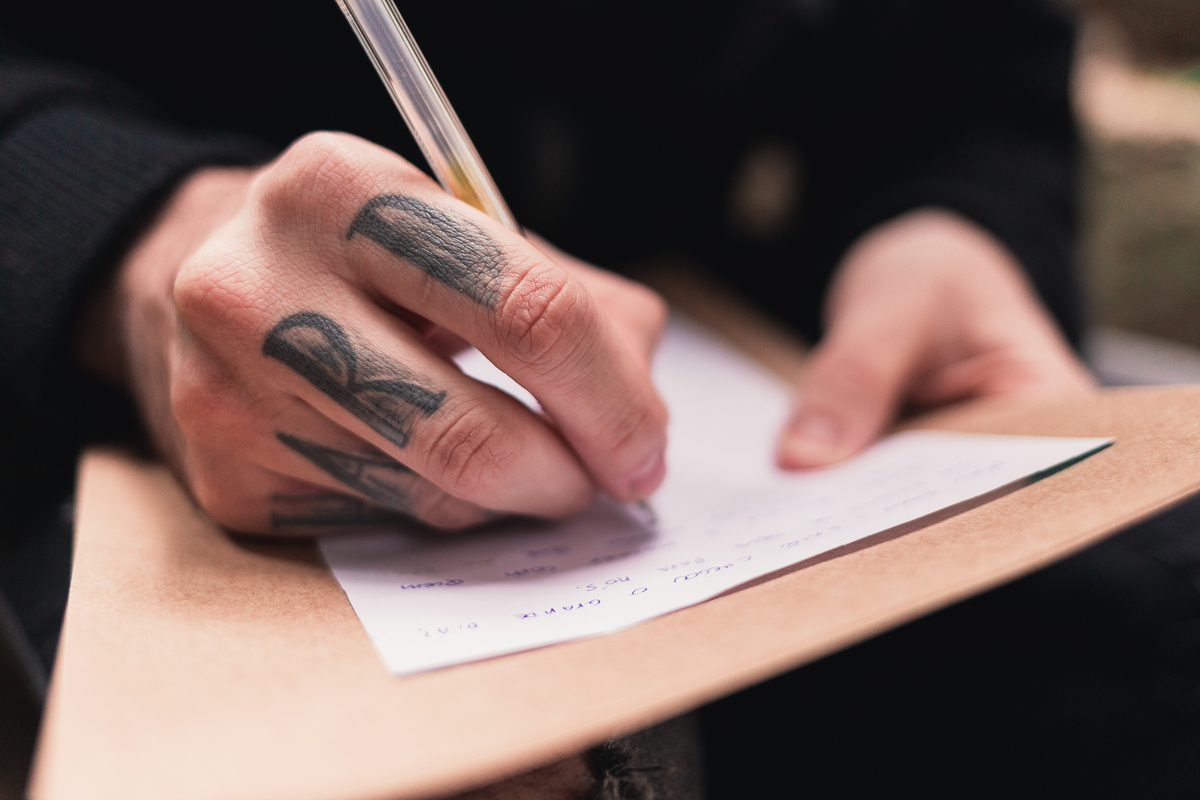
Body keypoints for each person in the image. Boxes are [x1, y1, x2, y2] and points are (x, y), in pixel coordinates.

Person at [2, 0, 1196, 796]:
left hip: (765, 348)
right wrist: (124, 233)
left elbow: (971, 57)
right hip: (101, 420)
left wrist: (956, 219)